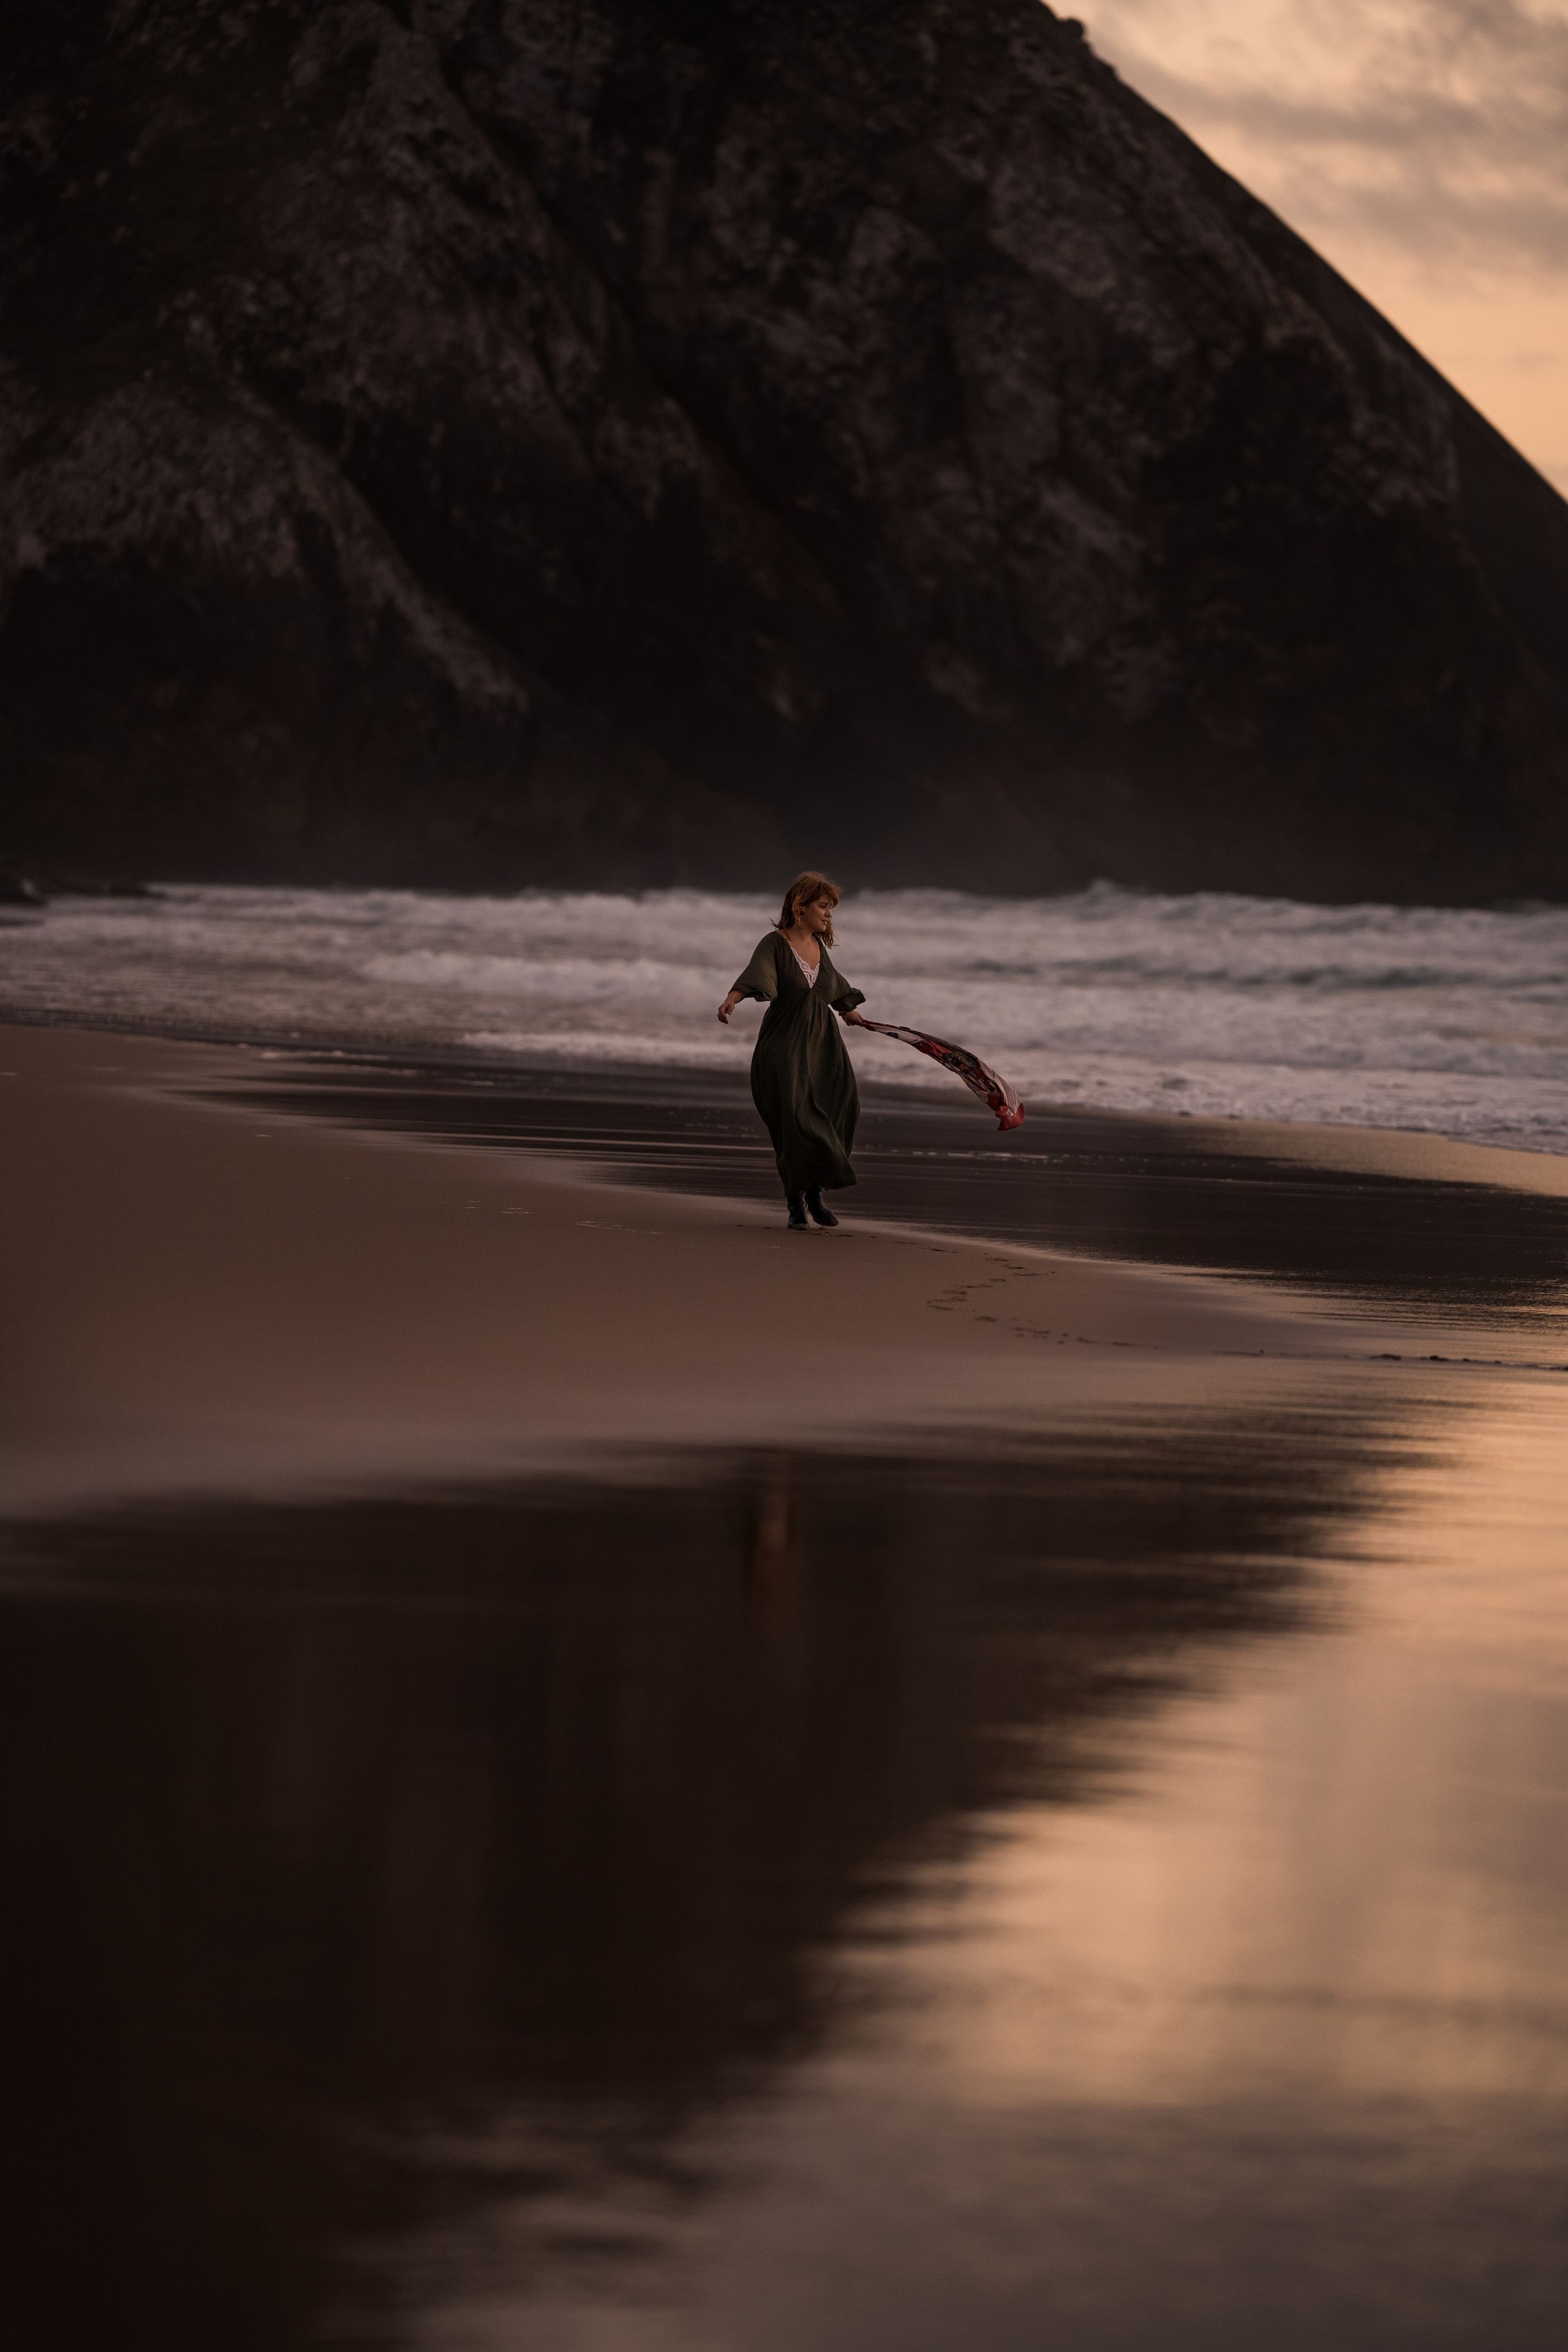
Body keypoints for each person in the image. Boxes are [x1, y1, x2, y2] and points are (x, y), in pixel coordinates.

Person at [717, 872, 867, 1229]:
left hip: (824, 1047)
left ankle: (814, 1191)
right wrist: (732, 999)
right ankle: (795, 1201)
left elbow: (832, 987)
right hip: (784, 1045)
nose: (829, 914)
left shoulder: (819, 947)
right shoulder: (774, 944)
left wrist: (850, 1010)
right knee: (797, 1121)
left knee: (840, 1108)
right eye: (823, 906)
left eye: (831, 908)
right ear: (801, 907)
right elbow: (758, 974)